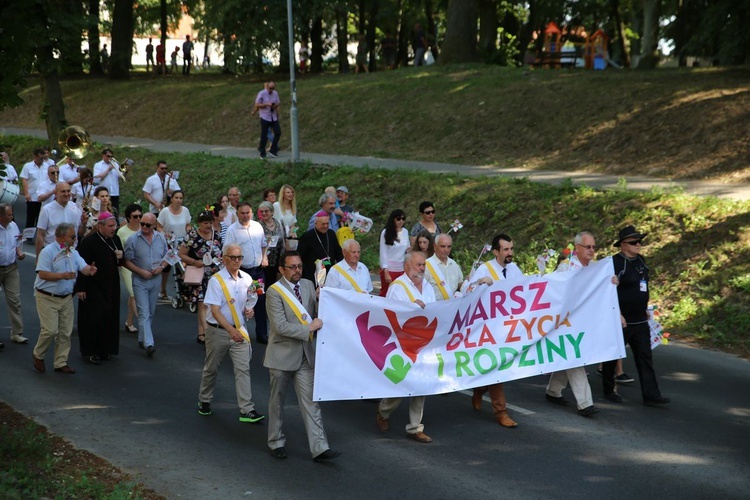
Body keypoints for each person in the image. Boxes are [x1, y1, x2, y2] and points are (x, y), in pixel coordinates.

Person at [264, 251, 339, 462]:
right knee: (277, 401)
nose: (297, 270)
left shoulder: (307, 285)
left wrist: (323, 299)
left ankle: (320, 447)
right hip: (281, 354)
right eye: (292, 267)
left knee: (311, 402)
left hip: (305, 355)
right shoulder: (274, 292)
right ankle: (276, 441)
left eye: (299, 266)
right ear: (281, 269)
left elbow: (317, 312)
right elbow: (279, 326)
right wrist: (309, 328)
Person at [603, 225, 671, 407]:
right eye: (633, 242)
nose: (638, 245)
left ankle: (652, 395)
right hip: (622, 319)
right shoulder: (615, 263)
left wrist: (648, 309)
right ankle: (609, 389)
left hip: (640, 319)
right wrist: (617, 314)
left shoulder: (641, 260)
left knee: (645, 357)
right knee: (612, 356)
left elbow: (644, 285)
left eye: (639, 241)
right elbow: (607, 290)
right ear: (622, 245)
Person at [197, 243, 265, 423]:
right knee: (211, 367)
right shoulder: (216, 280)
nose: (237, 261)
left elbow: (250, 301)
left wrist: (249, 311)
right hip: (218, 331)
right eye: (233, 257)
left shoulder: (248, 279)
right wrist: (231, 330)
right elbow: (215, 311)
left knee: (243, 369)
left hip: (238, 330)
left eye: (239, 257)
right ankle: (204, 399)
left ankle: (247, 409)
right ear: (224, 259)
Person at [376, 251, 435, 443]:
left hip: (423, 344)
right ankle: (383, 412)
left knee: (421, 386)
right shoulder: (398, 287)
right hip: (403, 345)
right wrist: (411, 307)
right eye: (418, 265)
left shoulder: (428, 287)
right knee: (400, 386)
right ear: (407, 266)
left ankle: (415, 428)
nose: (422, 268)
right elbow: (392, 315)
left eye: (423, 265)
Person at [466, 233, 520, 428]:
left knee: (501, 367)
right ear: (496, 251)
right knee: (497, 367)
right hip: (488, 328)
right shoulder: (484, 269)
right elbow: (466, 291)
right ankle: (501, 411)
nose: (510, 253)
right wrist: (480, 283)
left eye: (511, 249)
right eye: (506, 249)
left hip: (508, 327)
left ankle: (480, 389)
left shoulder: (514, 269)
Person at [544, 231, 600, 417]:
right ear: (577, 248)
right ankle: (585, 403)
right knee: (575, 358)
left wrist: (611, 282)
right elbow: (553, 292)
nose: (592, 250)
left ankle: (553, 391)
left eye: (593, 247)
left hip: (584, 321)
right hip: (565, 322)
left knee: (568, 356)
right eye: (587, 247)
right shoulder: (566, 268)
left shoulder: (595, 269)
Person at [32, 223, 97, 374]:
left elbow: (83, 267)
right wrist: (62, 276)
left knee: (65, 332)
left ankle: (60, 362)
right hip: (47, 297)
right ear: (61, 237)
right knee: (50, 330)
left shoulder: (73, 252)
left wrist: (90, 270)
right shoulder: (47, 252)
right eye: (72, 237)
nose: (75, 239)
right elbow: (42, 274)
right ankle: (38, 354)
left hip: (66, 297)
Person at [75, 212, 123, 365]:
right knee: (93, 319)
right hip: (93, 285)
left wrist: (121, 257)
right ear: (100, 226)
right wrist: (80, 288)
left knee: (109, 317)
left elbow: (121, 262)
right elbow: (81, 265)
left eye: (114, 226)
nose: (113, 229)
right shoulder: (89, 241)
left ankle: (105, 349)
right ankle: (91, 351)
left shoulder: (115, 240)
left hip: (111, 285)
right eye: (110, 226)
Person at [123, 212, 170, 357]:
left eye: (147, 225)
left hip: (155, 279)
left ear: (154, 225)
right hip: (140, 280)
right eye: (142, 224)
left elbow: (169, 256)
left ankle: (142, 337)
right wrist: (140, 271)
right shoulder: (133, 239)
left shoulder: (160, 238)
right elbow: (127, 261)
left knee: (151, 311)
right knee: (143, 312)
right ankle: (149, 344)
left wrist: (161, 267)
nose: (143, 227)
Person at [223, 202, 269, 343]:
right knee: (241, 302)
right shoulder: (232, 230)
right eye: (242, 213)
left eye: (247, 213)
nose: (245, 215)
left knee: (260, 300)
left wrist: (265, 256)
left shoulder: (257, 226)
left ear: (252, 213)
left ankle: (262, 333)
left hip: (257, 271)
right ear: (237, 213)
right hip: (242, 271)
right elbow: (226, 252)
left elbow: (263, 244)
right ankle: (239, 332)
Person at [179, 209, 223, 344]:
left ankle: (201, 333)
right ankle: (207, 332)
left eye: (210, 222)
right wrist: (193, 262)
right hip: (198, 274)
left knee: (211, 304)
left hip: (214, 274)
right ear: (199, 223)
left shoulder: (217, 236)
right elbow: (181, 254)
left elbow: (221, 254)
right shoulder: (191, 236)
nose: (208, 226)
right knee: (202, 303)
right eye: (205, 223)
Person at [0, 203, 27, 347]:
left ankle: (17, 333)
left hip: (11, 268)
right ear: (1, 216)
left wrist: (20, 253)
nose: (12, 216)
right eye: (9, 214)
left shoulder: (13, 226)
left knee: (15, 300)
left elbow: (17, 243)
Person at [157, 190, 191, 300]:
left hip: (182, 242)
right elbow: (159, 226)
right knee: (167, 267)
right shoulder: (165, 212)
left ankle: (184, 290)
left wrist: (189, 232)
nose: (178, 200)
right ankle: (163, 290)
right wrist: (164, 234)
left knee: (183, 266)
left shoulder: (185, 210)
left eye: (181, 198)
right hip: (169, 242)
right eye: (176, 198)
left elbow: (188, 225)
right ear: (172, 199)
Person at [36, 182, 85, 256]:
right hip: (52, 252)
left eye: (68, 191)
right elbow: (40, 235)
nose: (66, 194)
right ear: (56, 193)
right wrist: (38, 258)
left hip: (71, 252)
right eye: (63, 191)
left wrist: (84, 224)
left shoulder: (77, 208)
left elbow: (80, 233)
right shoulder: (46, 210)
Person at [297, 211, 343, 285]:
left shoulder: (331, 234)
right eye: (323, 224)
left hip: (330, 272)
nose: (325, 226)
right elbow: (299, 256)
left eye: (327, 224)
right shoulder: (307, 236)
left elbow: (339, 254)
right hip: (312, 274)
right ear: (316, 224)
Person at [117, 204, 143, 334]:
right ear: (128, 217)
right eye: (135, 216)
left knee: (134, 295)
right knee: (134, 293)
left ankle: (129, 322)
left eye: (140, 216)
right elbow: (117, 248)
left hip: (142, 265)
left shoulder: (144, 229)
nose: (138, 219)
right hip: (127, 265)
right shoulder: (122, 231)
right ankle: (143, 322)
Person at [378, 209, 409, 297]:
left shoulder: (405, 232)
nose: (401, 221)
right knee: (386, 292)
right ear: (393, 219)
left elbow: (407, 249)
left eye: (403, 219)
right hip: (390, 269)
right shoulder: (385, 232)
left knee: (400, 293)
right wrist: (385, 270)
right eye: (398, 219)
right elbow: (383, 252)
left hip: (402, 269)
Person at [258, 201, 287, 290]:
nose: (264, 213)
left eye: (266, 211)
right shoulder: (258, 225)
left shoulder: (279, 223)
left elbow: (284, 239)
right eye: (261, 211)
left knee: (278, 286)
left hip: (278, 258)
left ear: (272, 212)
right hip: (265, 261)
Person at [424, 234, 463, 300]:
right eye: (443, 246)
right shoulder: (426, 265)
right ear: (435, 246)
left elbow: (460, 284)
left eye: (449, 247)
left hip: (453, 306)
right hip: (434, 307)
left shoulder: (454, 264)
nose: (446, 250)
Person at [20, 148, 45, 232]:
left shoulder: (47, 167)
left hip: (44, 197)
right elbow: (24, 180)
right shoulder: (28, 166)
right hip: (32, 197)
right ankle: (28, 236)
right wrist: (26, 193)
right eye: (40, 158)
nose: (42, 160)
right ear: (35, 157)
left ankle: (39, 236)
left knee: (41, 219)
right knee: (31, 218)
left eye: (43, 158)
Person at [255, 81, 281, 159]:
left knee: (278, 132)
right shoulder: (262, 93)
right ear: (267, 87)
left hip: (273, 116)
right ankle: (262, 153)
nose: (271, 90)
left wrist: (275, 106)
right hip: (265, 116)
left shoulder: (275, 93)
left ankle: (273, 150)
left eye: (273, 88)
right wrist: (266, 104)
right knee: (264, 135)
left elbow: (278, 103)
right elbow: (257, 104)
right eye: (270, 88)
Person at [273, 184, 298, 249]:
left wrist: (293, 232)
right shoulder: (276, 205)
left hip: (290, 236)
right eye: (288, 192)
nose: (291, 194)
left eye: (292, 192)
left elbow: (293, 225)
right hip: (279, 236)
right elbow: (273, 221)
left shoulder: (293, 207)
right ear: (283, 194)